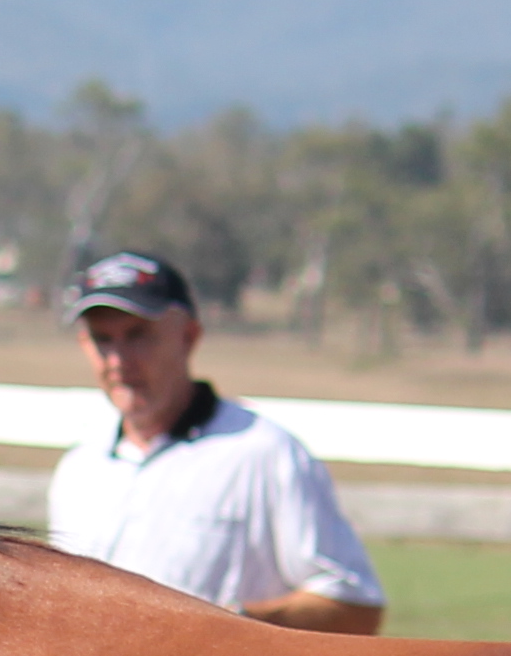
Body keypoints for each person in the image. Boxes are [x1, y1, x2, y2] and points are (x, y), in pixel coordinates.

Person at [41, 249, 384, 632]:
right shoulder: (80, 466)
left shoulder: (263, 453)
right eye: (103, 340)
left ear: (189, 336)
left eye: (139, 336)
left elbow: (357, 607)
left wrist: (235, 626)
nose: (119, 360)